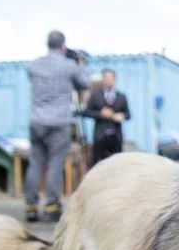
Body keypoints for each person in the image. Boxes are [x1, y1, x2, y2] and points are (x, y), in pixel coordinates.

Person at [25, 30, 90, 223]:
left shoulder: (33, 65)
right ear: (62, 45)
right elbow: (84, 83)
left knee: (36, 163)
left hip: (36, 121)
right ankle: (52, 206)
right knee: (55, 164)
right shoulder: (69, 66)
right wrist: (79, 65)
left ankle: (31, 206)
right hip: (57, 122)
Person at [84, 68, 131, 166]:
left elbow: (128, 115)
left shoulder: (121, 96)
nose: (109, 81)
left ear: (115, 80)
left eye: (111, 78)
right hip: (100, 136)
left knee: (117, 163)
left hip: (116, 135)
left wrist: (121, 116)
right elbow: (87, 112)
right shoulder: (95, 95)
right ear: (103, 80)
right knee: (99, 163)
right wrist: (100, 114)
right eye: (106, 78)